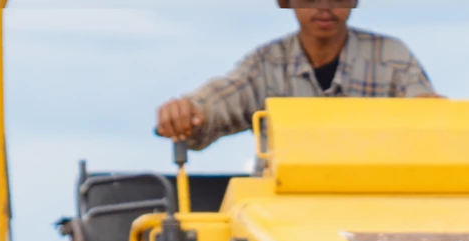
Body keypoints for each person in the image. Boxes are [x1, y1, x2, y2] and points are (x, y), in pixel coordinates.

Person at [155, 1, 438, 153]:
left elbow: (426, 110)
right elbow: (222, 98)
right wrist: (189, 112)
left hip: (372, 205)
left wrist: (429, 108)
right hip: (279, 211)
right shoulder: (266, 64)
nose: (324, 7)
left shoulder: (392, 57)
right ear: (285, 1)